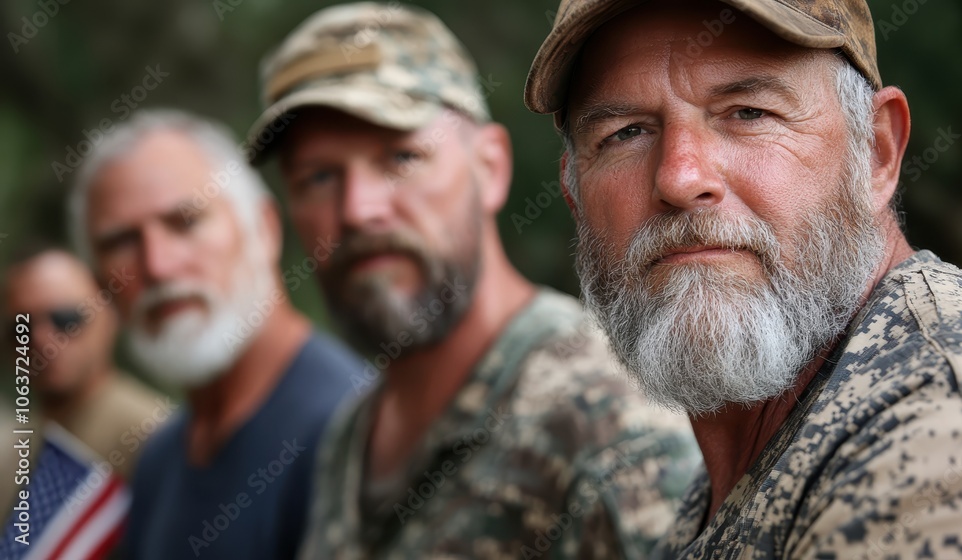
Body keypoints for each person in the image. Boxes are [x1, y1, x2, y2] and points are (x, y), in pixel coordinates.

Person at [524, 0, 962, 557]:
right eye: (625, 132)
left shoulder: (947, 429)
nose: (680, 178)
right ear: (575, 196)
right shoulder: (751, 459)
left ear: (877, 151)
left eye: (748, 112)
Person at [247, 3, 701, 559]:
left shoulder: (606, 424)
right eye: (318, 176)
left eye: (401, 157)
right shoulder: (350, 436)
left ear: (490, 168)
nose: (359, 209)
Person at [67, 109, 365, 559]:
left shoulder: (350, 433)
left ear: (263, 229)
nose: (158, 266)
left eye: (185, 222)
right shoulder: (159, 459)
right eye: (121, 242)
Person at [2, 243, 166, 479]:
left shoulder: (156, 438)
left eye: (65, 319)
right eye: (21, 328)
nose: (42, 339)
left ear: (110, 316)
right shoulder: (11, 456)